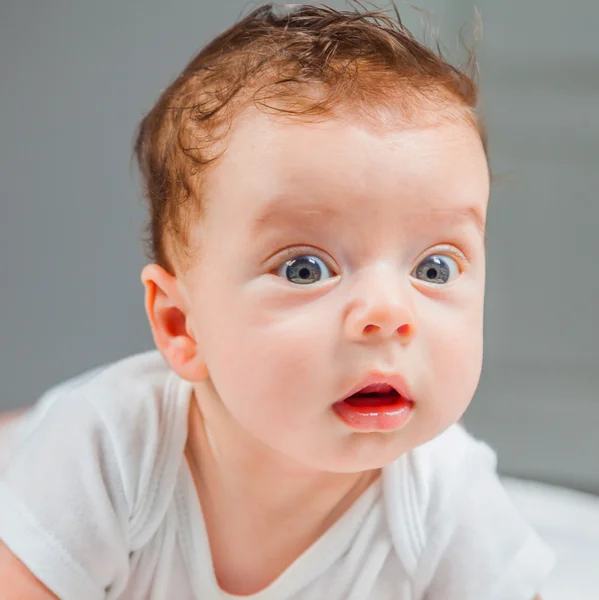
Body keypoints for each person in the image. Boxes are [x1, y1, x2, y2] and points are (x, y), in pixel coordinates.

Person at [0, 3, 554, 598]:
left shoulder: (442, 494)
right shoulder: (105, 452)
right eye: (304, 268)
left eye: (434, 267)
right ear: (181, 325)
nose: (388, 313)